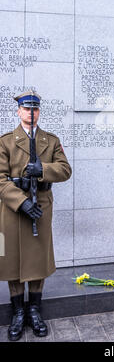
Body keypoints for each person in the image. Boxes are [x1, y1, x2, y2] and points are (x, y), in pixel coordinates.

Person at [0, 90, 72, 341]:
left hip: (41, 205)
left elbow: (65, 170)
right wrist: (20, 202)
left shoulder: (50, 141)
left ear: (39, 111)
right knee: (12, 260)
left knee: (37, 259)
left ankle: (35, 310)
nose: (31, 113)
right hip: (12, 210)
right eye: (26, 109)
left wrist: (43, 168)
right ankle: (18, 312)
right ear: (18, 111)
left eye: (35, 109)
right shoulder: (5, 141)